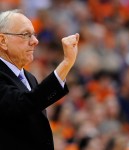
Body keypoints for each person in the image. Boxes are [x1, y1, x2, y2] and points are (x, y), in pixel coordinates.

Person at [0, 9, 79, 150]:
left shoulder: (29, 78)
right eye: (26, 35)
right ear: (3, 41)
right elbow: (24, 105)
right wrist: (66, 64)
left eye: (34, 35)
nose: (35, 41)